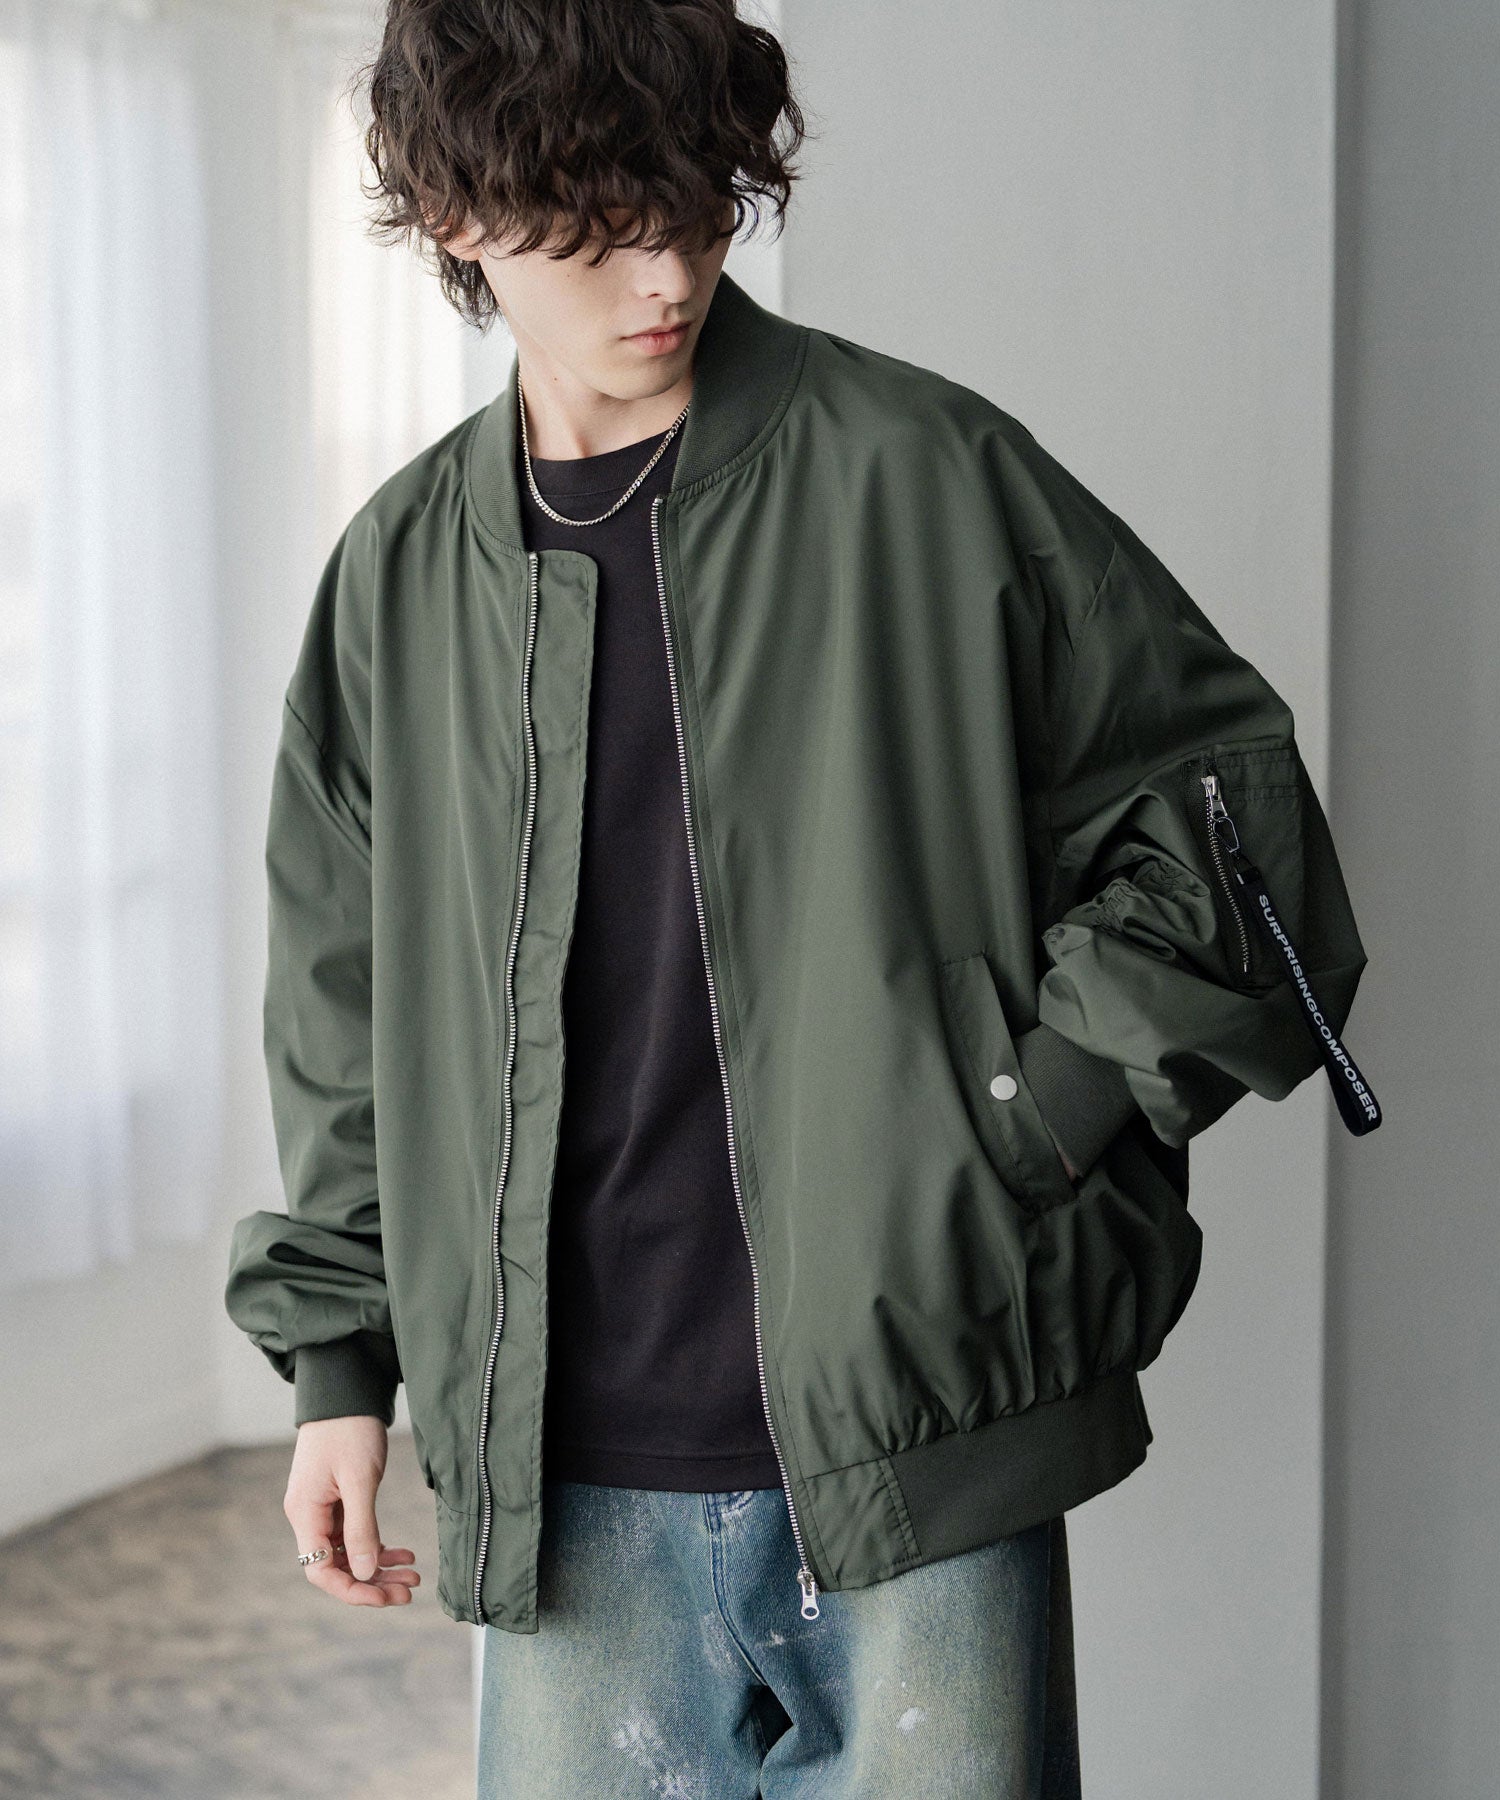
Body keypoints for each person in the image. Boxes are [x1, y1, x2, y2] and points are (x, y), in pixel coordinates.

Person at [224, 2, 1379, 1795]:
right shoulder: (399, 577)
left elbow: (1228, 820)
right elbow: (344, 1012)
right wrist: (338, 1370)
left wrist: (1024, 1125)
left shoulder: (923, 472)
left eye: (695, 206)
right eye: (599, 231)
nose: (669, 274)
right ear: (457, 217)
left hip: (920, 1434)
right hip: (566, 1474)